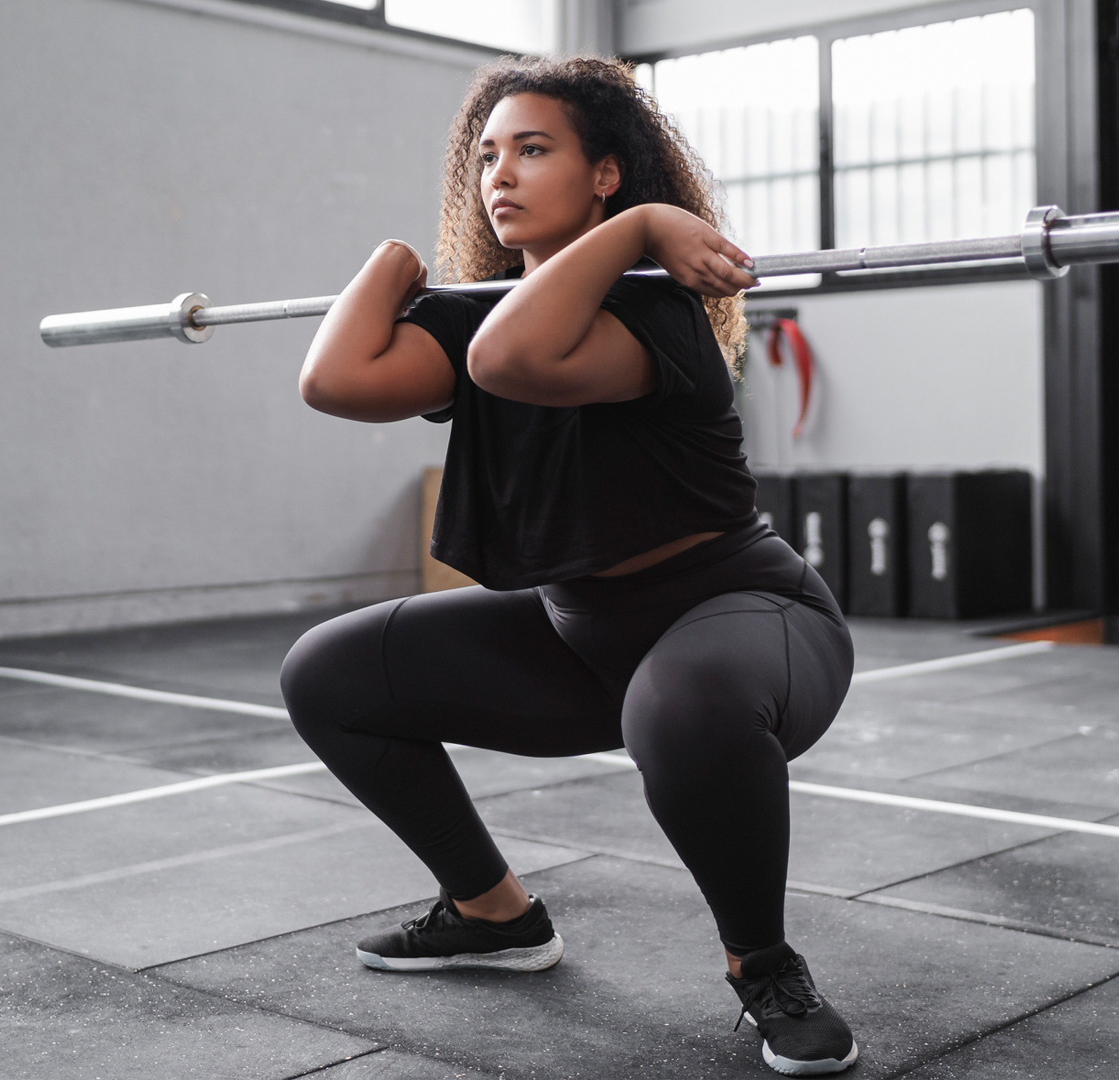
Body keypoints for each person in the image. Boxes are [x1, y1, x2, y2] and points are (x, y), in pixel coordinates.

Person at [280, 56, 857, 1077]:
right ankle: (492, 914)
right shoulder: (474, 315)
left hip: (743, 620)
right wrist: (389, 264)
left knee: (678, 707)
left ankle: (761, 964)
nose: (499, 174)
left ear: (606, 173)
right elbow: (334, 381)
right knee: (327, 674)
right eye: (488, 155)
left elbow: (516, 361)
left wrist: (637, 235)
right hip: (582, 639)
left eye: (533, 150)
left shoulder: (655, 308)